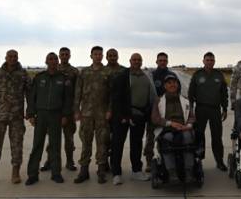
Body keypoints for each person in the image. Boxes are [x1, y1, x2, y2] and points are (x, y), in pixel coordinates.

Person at [25, 52, 74, 185]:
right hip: (40, 115)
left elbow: (67, 99)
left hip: (56, 115)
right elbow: (32, 97)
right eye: (50, 59)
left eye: (55, 59)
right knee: (37, 145)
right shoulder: (39, 77)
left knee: (55, 145)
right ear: (46, 61)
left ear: (58, 62)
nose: (53, 61)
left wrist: (65, 115)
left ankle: (56, 173)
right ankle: (32, 174)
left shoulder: (63, 78)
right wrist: (30, 114)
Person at [0, 49, 30, 186]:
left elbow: (30, 93)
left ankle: (15, 172)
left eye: (15, 56)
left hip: (16, 116)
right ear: (6, 57)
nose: (12, 58)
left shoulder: (23, 74)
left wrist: (30, 111)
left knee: (17, 145)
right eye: (10, 56)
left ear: (18, 58)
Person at [108, 52, 156, 184]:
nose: (136, 61)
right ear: (130, 61)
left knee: (136, 144)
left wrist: (149, 113)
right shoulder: (123, 76)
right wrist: (122, 115)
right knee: (118, 144)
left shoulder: (146, 76)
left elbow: (151, 96)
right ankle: (116, 173)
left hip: (139, 116)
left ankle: (136, 171)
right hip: (123, 116)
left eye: (139, 60)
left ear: (141, 61)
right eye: (134, 59)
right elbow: (116, 98)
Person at [73, 46, 112, 184]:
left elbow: (112, 94)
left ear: (102, 56)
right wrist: (76, 110)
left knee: (102, 143)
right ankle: (84, 171)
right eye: (95, 54)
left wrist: (110, 110)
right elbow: (78, 92)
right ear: (91, 56)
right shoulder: (84, 72)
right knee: (86, 142)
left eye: (100, 54)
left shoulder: (107, 72)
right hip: (86, 114)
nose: (98, 56)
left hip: (102, 114)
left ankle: (101, 170)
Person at [187, 51, 229, 171]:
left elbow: (224, 93)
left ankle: (219, 161)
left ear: (214, 62)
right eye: (207, 60)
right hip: (200, 109)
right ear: (203, 61)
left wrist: (225, 108)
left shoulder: (219, 75)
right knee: (199, 135)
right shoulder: (197, 75)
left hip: (215, 110)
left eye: (212, 60)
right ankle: (198, 160)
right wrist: (190, 109)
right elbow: (191, 93)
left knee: (217, 136)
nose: (209, 62)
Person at [151, 73, 197, 179]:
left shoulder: (185, 100)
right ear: (165, 86)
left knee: (188, 138)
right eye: (169, 83)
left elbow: (191, 116)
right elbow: (155, 118)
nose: (172, 85)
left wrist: (188, 125)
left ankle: (188, 169)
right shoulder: (159, 101)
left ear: (178, 85)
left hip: (183, 128)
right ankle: (172, 171)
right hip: (167, 128)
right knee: (168, 140)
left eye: (175, 82)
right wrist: (170, 123)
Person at [43, 47, 78, 172]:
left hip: (68, 111)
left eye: (66, 54)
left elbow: (77, 92)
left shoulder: (74, 72)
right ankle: (49, 161)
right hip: (54, 111)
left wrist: (76, 110)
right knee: (52, 139)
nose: (64, 56)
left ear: (69, 56)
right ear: (59, 56)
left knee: (69, 139)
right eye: (62, 54)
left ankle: (70, 161)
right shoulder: (52, 71)